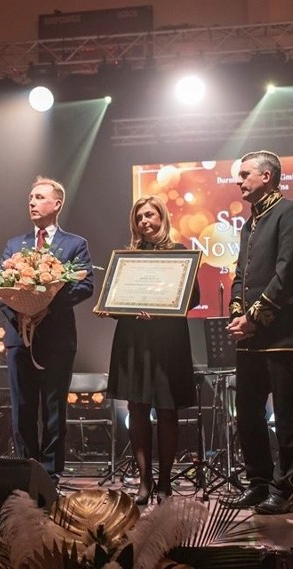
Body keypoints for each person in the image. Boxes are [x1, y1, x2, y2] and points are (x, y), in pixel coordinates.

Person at [221, 150, 293, 515]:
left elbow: (289, 274)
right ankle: (258, 484)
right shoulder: (251, 223)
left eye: (245, 174)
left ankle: (285, 488)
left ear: (268, 176)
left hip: (284, 336)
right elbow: (241, 275)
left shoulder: (292, 212)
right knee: (247, 413)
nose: (239, 181)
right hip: (252, 338)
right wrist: (237, 314)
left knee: (288, 416)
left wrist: (254, 318)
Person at [0, 176, 94, 482]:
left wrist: (47, 307)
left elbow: (85, 285)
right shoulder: (14, 245)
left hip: (57, 339)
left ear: (57, 204)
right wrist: (22, 313)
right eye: (30, 197)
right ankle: (24, 470)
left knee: (54, 410)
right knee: (21, 409)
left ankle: (50, 474)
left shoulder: (75, 244)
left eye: (39, 197)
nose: (32, 202)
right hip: (19, 337)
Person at [104, 196, 199, 505]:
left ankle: (165, 482)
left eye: (149, 215)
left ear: (162, 217)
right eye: (139, 217)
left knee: (167, 410)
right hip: (134, 342)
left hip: (168, 342)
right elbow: (116, 305)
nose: (144, 221)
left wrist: (162, 311)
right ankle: (145, 481)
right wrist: (115, 305)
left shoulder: (179, 253)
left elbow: (192, 298)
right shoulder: (127, 258)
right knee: (138, 409)